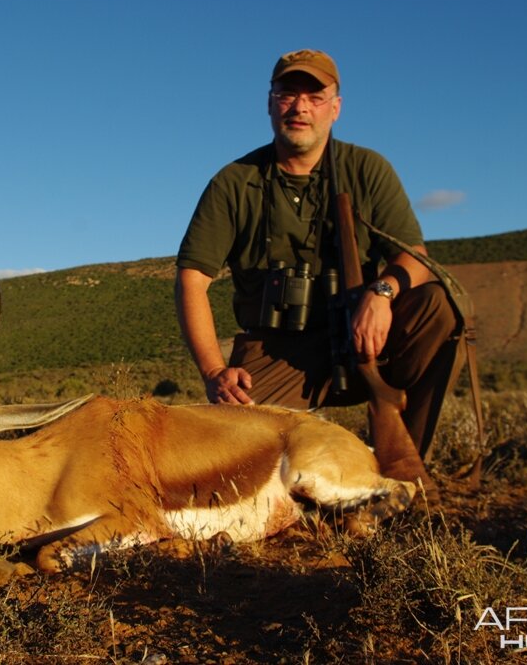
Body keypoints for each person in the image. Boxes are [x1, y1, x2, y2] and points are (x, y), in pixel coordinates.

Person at [175, 49, 463, 501]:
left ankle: (404, 467)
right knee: (236, 460)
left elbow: (417, 258)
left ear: (336, 106)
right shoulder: (233, 182)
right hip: (277, 348)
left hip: (361, 336)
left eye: (315, 95)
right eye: (287, 94)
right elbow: (192, 279)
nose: (300, 107)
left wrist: (381, 293)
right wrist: (215, 371)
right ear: (270, 103)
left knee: (438, 308)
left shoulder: (367, 169)